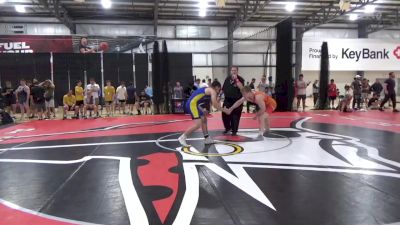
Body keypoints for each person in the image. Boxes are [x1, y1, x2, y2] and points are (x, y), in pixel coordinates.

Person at [178, 81, 229, 146]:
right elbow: (215, 105)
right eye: (219, 89)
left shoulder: (207, 89)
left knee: (204, 119)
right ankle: (182, 137)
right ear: (216, 87)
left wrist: (202, 109)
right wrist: (224, 110)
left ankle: (207, 138)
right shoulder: (212, 91)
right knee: (198, 124)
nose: (219, 91)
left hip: (194, 104)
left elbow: (196, 98)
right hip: (192, 104)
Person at [222, 66, 245, 135]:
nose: (233, 71)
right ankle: (228, 128)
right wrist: (219, 96)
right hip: (227, 100)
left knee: (235, 116)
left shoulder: (240, 79)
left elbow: (242, 89)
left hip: (237, 100)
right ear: (230, 71)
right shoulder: (227, 79)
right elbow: (223, 89)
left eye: (235, 70)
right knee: (224, 114)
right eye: (232, 70)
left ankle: (234, 130)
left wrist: (236, 80)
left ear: (237, 71)